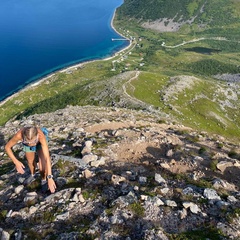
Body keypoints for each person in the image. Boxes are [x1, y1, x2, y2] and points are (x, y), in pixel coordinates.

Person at [5, 125, 56, 194]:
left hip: (40, 143)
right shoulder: (19, 135)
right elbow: (7, 147)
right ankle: (33, 174)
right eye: (27, 142)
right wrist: (16, 161)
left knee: (42, 167)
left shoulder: (41, 136)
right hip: (29, 145)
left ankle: (43, 179)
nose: (31, 144)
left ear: (37, 136)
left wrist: (50, 177)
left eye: (33, 141)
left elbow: (47, 158)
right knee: (30, 161)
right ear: (23, 138)